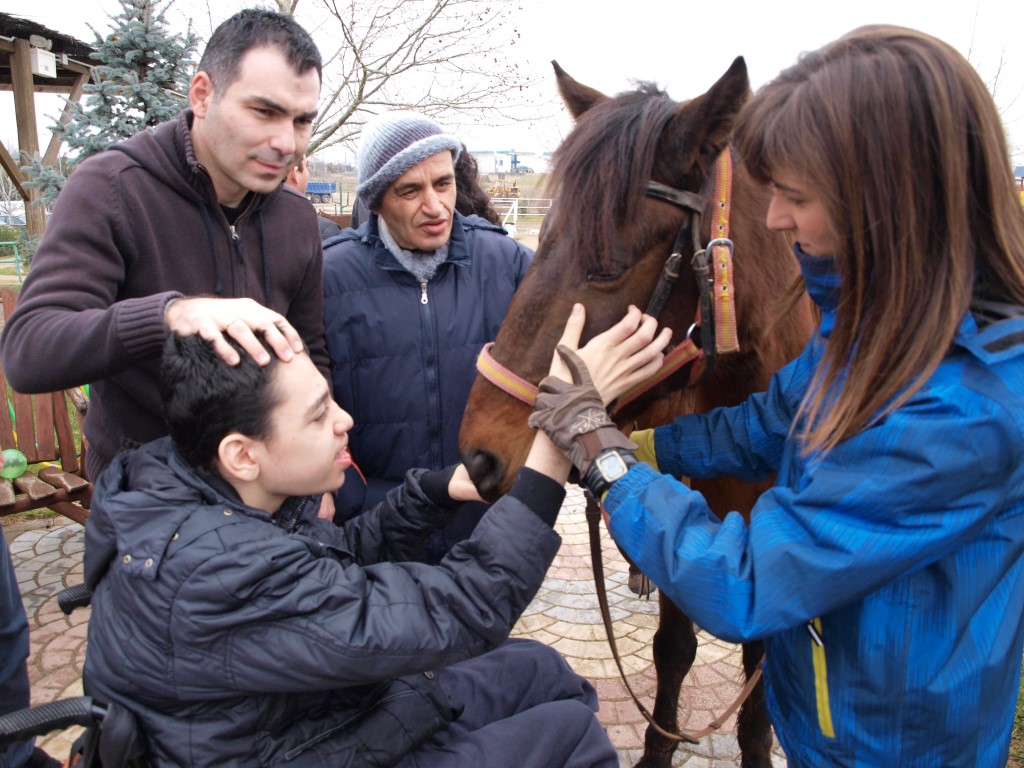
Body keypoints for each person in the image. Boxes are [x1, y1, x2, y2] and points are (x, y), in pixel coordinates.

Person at [528, 25, 1024, 768]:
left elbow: (747, 582)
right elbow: (771, 421)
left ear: (886, 197)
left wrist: (605, 463)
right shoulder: (873, 325)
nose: (771, 219)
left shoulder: (966, 407)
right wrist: (642, 445)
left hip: (894, 746)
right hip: (825, 713)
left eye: (793, 194)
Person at [80, 312, 667, 767]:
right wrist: (559, 434)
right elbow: (464, 608)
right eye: (317, 416)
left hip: (302, 721)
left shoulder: (187, 481)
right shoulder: (216, 570)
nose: (344, 420)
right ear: (242, 454)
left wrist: (438, 491)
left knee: (542, 670)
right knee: (570, 736)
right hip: (287, 749)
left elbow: (331, 565)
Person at [0, 9, 328, 483]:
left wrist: (318, 464)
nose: (285, 142)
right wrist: (169, 316)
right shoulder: (112, 189)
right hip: (147, 500)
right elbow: (30, 352)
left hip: (267, 490)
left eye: (302, 120)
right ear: (202, 95)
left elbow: (310, 351)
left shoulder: (298, 218)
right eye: (265, 112)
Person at [322, 112, 532, 561]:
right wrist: (348, 497)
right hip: (375, 533)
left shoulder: (507, 263)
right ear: (376, 201)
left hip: (485, 528)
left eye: (443, 183)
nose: (436, 206)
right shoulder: (328, 277)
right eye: (410, 190)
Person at [283, 154, 344, 240]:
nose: (308, 174)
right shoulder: (325, 230)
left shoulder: (259, 222)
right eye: (306, 166)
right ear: (295, 173)